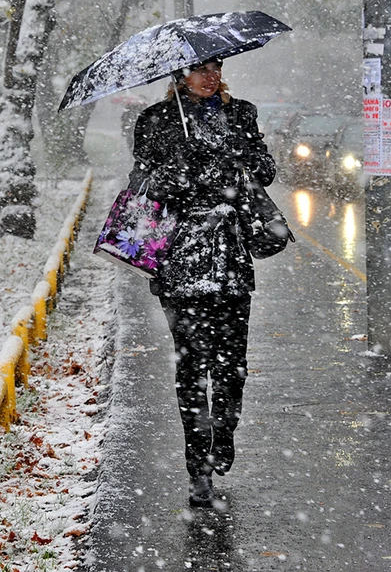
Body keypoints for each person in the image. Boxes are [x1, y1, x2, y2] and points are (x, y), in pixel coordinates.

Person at [128, 59, 276, 507]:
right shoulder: (155, 121)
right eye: (199, 70)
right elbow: (143, 186)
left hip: (230, 257)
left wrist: (242, 159)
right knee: (192, 368)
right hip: (180, 260)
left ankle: (223, 433)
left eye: (215, 68)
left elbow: (266, 171)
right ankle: (199, 468)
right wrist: (180, 168)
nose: (210, 77)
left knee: (232, 366)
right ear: (179, 76)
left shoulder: (240, 114)